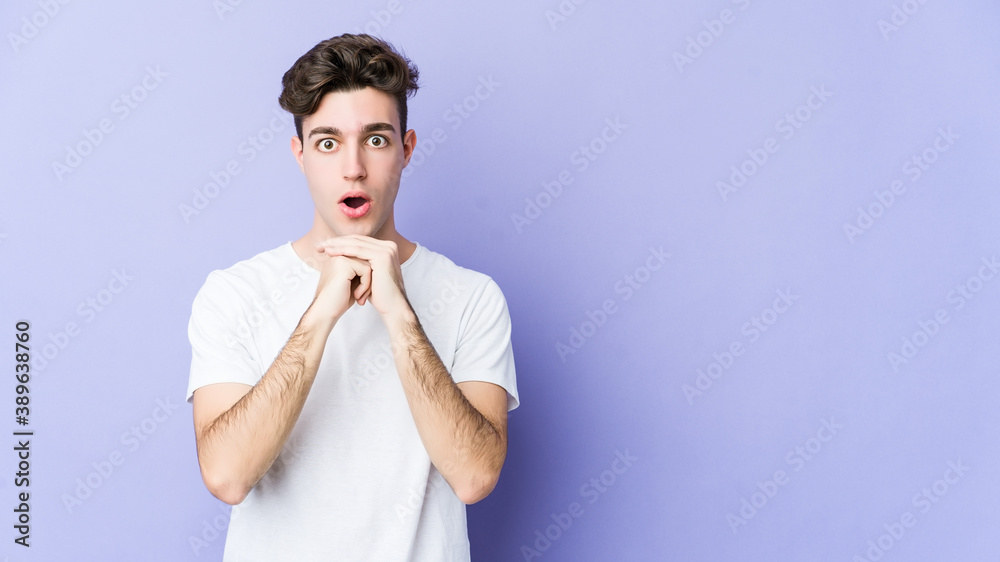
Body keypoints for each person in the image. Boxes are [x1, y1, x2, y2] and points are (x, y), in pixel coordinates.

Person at [185, 33, 519, 561]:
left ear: (406, 150)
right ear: (300, 154)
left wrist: (400, 313)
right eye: (327, 142)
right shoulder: (234, 293)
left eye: (377, 139)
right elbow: (226, 476)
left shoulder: (472, 297)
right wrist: (320, 313)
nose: (354, 167)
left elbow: (475, 476)